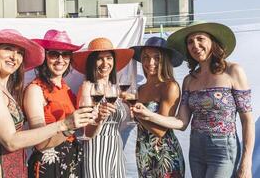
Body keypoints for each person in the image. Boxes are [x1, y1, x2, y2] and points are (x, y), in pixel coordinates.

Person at [131, 22, 255, 178]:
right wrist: (147, 115)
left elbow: (247, 120)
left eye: (200, 39)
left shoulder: (233, 71)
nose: (195, 45)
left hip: (222, 148)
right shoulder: (189, 80)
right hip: (196, 148)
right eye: (190, 42)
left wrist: (246, 161)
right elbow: (181, 123)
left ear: (213, 42)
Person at [0, 29, 94, 178]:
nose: (14, 56)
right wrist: (63, 125)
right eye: (8, 49)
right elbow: (11, 142)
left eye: (19, 52)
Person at [24, 30, 85, 178]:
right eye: (54, 54)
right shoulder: (35, 90)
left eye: (65, 54)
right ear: (44, 57)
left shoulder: (66, 88)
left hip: (71, 159)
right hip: (49, 164)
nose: (60, 59)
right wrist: (69, 129)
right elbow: (39, 143)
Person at [72, 37, 134, 178]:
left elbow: (120, 124)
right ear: (92, 62)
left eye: (109, 58)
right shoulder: (87, 88)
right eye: (100, 58)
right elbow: (86, 133)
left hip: (116, 149)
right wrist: (99, 118)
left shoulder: (116, 89)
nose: (105, 63)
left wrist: (132, 110)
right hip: (96, 150)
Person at [129, 36, 185, 177]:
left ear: (165, 60)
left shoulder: (169, 86)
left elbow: (160, 132)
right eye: (146, 57)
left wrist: (135, 110)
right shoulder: (140, 89)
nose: (150, 62)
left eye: (157, 58)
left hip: (165, 155)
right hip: (143, 154)